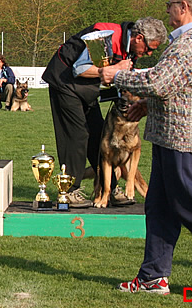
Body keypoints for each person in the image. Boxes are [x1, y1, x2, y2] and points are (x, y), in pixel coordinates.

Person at [100, 0, 192, 295]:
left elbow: (159, 81)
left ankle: (153, 275)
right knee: (159, 208)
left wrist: (117, 75)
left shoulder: (189, 43)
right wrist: (146, 106)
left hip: (182, 141)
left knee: (190, 206)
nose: (167, 10)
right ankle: (153, 277)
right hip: (174, 138)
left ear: (183, 7)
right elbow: (178, 87)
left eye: (170, 4)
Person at [41, 17, 167, 208]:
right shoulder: (104, 36)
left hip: (85, 87)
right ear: (139, 38)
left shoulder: (130, 50)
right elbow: (80, 68)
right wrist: (114, 69)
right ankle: (71, 190)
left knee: (100, 133)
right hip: (64, 81)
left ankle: (109, 189)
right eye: (149, 48)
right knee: (77, 135)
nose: (148, 53)